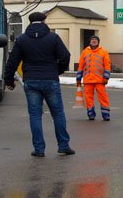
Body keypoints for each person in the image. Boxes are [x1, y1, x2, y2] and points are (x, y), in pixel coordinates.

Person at [5, 11, 75, 157]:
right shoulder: (53, 37)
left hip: (31, 80)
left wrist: (9, 80)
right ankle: (63, 145)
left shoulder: (22, 39)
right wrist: (57, 70)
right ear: (44, 21)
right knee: (57, 114)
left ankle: (39, 149)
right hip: (50, 79)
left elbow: (12, 61)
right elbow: (65, 56)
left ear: (30, 22)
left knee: (35, 115)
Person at [76, 35, 112, 121]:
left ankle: (105, 114)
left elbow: (107, 66)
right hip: (88, 80)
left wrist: (106, 77)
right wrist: (78, 78)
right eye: (92, 39)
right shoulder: (85, 52)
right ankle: (91, 114)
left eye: (95, 39)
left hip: (100, 80)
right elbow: (81, 66)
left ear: (98, 42)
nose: (94, 41)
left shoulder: (104, 52)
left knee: (103, 97)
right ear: (90, 41)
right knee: (88, 98)